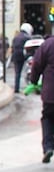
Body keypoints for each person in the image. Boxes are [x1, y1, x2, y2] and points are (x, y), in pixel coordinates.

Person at [30, 35, 54, 163]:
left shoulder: (47, 44)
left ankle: (48, 146)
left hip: (51, 93)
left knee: (48, 118)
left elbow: (37, 64)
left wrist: (33, 80)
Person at [11, 23, 32, 93]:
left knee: (17, 73)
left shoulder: (16, 37)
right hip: (23, 56)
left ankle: (16, 88)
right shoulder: (27, 37)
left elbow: (13, 47)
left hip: (15, 56)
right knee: (29, 70)